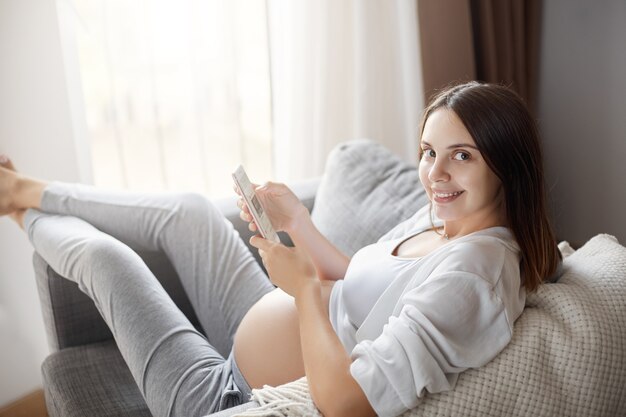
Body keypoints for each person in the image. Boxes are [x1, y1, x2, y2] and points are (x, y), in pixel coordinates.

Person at [0, 81, 561, 417]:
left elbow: (348, 403)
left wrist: (303, 294)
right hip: (257, 330)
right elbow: (362, 284)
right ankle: (25, 190)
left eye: (461, 155)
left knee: (108, 260)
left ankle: (19, 208)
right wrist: (301, 225)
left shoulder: (476, 273)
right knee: (192, 211)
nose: (434, 173)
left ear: (507, 164)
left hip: (225, 393)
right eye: (427, 151)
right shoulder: (450, 217)